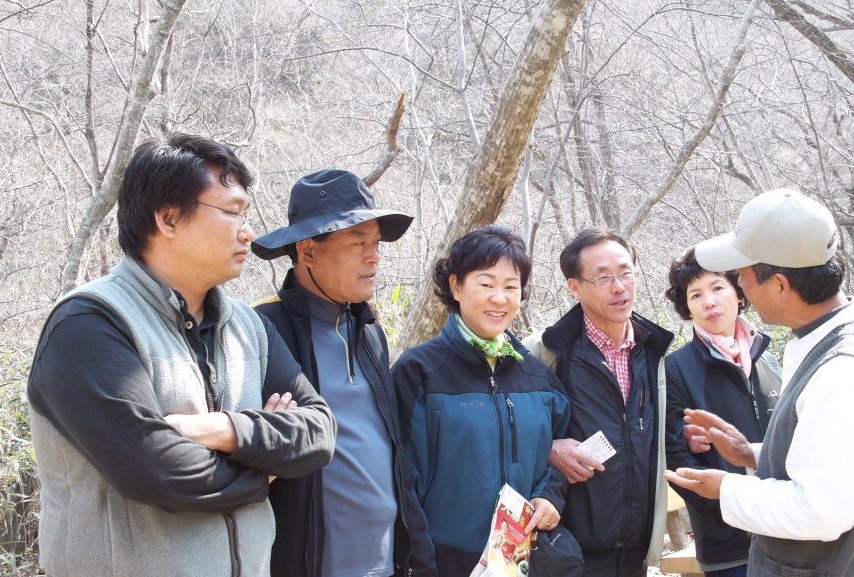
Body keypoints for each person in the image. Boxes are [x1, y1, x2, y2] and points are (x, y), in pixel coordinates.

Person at [26, 133, 336, 577]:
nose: (248, 231)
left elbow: (319, 432)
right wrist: (265, 471)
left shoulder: (249, 327)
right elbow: (157, 472)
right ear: (168, 218)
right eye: (231, 212)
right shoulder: (89, 324)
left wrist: (224, 429)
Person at [664, 188, 854, 577]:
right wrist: (754, 454)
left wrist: (727, 489)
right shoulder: (829, 342)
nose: (740, 287)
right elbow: (826, 459)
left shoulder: (845, 368)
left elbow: (820, 511)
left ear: (780, 285)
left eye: (742, 276)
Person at [251, 169, 436, 577]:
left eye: (375, 243)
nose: (374, 256)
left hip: (387, 565)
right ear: (307, 250)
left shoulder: (368, 330)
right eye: (357, 243)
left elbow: (394, 455)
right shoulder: (263, 330)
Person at [393, 225, 571, 577]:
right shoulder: (420, 371)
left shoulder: (538, 378)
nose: (500, 298)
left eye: (511, 286)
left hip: (520, 561)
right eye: (486, 284)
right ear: (456, 286)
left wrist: (551, 495)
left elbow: (556, 456)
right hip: (445, 561)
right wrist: (418, 564)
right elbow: (400, 480)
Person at [524, 227, 675, 577]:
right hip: (567, 550)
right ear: (574, 287)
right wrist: (546, 447)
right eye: (603, 278)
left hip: (637, 549)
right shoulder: (543, 353)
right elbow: (503, 431)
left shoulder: (657, 354)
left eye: (625, 273)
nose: (620, 287)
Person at [663, 246, 782, 577]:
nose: (709, 302)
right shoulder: (676, 369)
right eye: (696, 294)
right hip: (729, 546)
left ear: (739, 291)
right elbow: (676, 455)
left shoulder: (768, 360)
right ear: (686, 306)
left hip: (787, 531)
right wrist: (729, 510)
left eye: (717, 287)